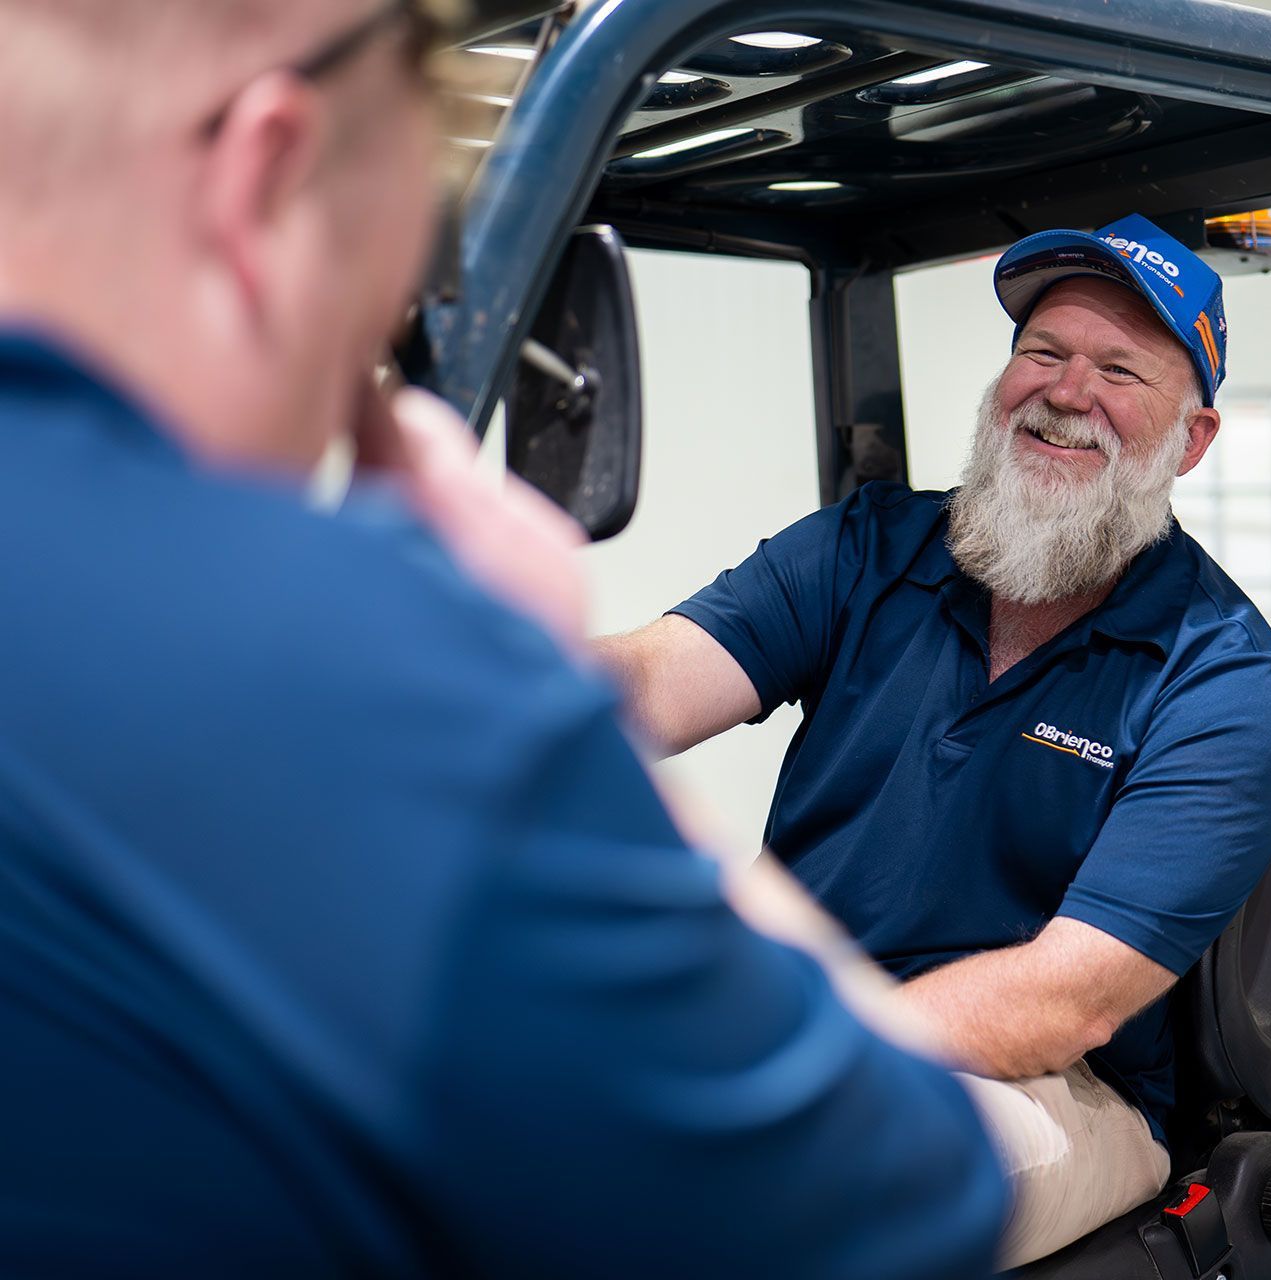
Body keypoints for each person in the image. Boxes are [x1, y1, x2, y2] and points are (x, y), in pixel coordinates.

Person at [0, 3, 1006, 1277]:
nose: (343, 407)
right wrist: (523, 674)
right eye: (372, 324)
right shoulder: (368, 676)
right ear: (266, 175)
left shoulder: (1214, 668)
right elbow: (910, 1192)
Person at [595, 213, 1271, 1265]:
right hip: (801, 1021)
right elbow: (650, 681)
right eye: (1043, 352)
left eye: (1120, 368)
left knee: (785, 1172)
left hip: (1052, 1085)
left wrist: (798, 1047)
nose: (1068, 394)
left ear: (1190, 438)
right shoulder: (867, 550)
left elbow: (1067, 999)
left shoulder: (1221, 678)